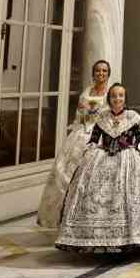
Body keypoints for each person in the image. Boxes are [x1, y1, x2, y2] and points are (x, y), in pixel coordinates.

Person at [56, 83, 140, 254]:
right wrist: (85, 161)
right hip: (102, 158)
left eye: (121, 96)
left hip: (126, 160)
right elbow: (93, 141)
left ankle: (127, 238)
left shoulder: (132, 118)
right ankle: (89, 236)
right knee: (90, 192)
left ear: (125, 98)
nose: (117, 99)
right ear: (109, 99)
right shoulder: (102, 118)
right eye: (114, 96)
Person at [36, 59, 110, 228]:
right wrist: (81, 124)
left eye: (104, 71)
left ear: (108, 74)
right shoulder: (86, 92)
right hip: (81, 133)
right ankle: (61, 216)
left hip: (99, 135)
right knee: (63, 172)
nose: (101, 73)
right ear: (93, 74)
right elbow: (80, 116)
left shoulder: (110, 94)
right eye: (98, 70)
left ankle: (88, 218)